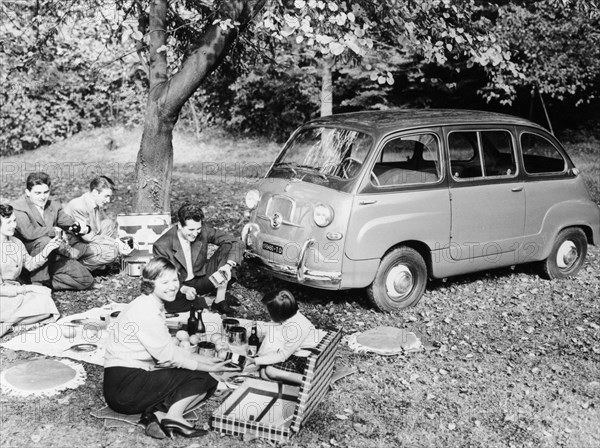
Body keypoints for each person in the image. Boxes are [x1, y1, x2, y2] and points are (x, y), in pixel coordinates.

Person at [103, 257, 238, 439]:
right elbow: (169, 357)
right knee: (203, 378)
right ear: (150, 283)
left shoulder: (149, 303)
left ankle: (155, 415)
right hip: (125, 387)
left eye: (175, 280)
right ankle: (173, 417)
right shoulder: (147, 312)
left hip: (122, 385)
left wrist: (206, 359)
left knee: (203, 378)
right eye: (164, 282)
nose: (172, 286)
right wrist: (209, 367)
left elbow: (169, 349)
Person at [152, 203, 244, 315]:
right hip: (181, 287)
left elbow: (236, 242)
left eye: (198, 229)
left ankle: (220, 299)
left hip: (203, 279)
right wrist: (183, 289)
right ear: (180, 226)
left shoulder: (203, 230)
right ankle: (210, 301)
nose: (195, 234)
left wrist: (228, 266)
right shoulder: (161, 245)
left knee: (229, 247)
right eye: (191, 230)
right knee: (171, 305)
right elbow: (162, 280)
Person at [11, 172, 95, 290]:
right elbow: (29, 233)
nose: (42, 197)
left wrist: (80, 227)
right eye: (38, 193)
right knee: (44, 241)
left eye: (46, 192)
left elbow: (67, 222)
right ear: (28, 192)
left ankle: (41, 282)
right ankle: (38, 284)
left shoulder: (53, 205)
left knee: (85, 280)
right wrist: (54, 230)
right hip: (29, 258)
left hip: (52, 253)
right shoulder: (18, 207)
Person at [0, 204, 61, 337]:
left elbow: (29, 264)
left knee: (46, 302)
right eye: (8, 222)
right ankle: (8, 325)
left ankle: (9, 324)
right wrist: (25, 289)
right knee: (40, 302)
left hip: (15, 293)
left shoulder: (16, 242)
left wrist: (47, 250)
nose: (13, 225)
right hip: (3, 296)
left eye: (14, 221)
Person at [245, 289, 322, 384]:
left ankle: (310, 381)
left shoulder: (296, 328)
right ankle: (289, 383)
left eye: (268, 312)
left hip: (304, 360)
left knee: (269, 371)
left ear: (277, 313)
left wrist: (255, 360)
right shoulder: (289, 318)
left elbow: (282, 356)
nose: (267, 314)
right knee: (263, 373)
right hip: (295, 353)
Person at [63, 176, 133, 272]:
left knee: (108, 224)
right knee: (111, 252)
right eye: (106, 196)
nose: (108, 200)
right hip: (74, 246)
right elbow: (88, 237)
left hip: (85, 237)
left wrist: (118, 239)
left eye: (110, 196)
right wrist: (116, 243)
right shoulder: (79, 206)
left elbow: (102, 225)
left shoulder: (93, 200)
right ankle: (76, 267)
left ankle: (101, 260)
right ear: (95, 192)